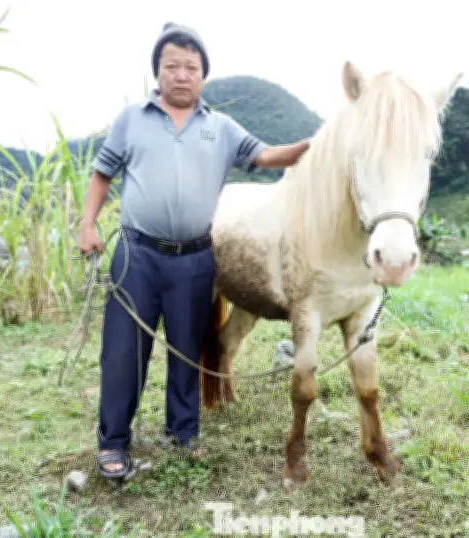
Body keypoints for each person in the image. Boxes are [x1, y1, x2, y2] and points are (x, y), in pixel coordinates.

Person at [77, 22, 311, 479]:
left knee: (187, 348)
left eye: (191, 67)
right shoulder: (131, 119)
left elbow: (267, 156)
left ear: (203, 75)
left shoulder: (220, 128)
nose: (182, 75)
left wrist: (315, 145)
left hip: (195, 259)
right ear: (157, 72)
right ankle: (114, 441)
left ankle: (182, 434)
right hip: (137, 255)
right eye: (172, 66)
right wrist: (87, 225)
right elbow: (102, 174)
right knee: (123, 351)